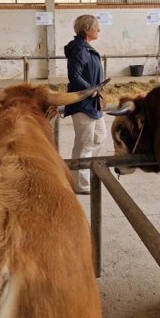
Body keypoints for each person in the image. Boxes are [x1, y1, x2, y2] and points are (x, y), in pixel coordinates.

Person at [64, 14, 107, 194]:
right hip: (83, 103)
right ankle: (81, 183)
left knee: (100, 136)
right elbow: (74, 76)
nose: (99, 29)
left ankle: (82, 173)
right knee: (85, 143)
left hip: (92, 103)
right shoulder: (80, 49)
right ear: (87, 29)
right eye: (96, 26)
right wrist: (91, 89)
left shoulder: (86, 48)